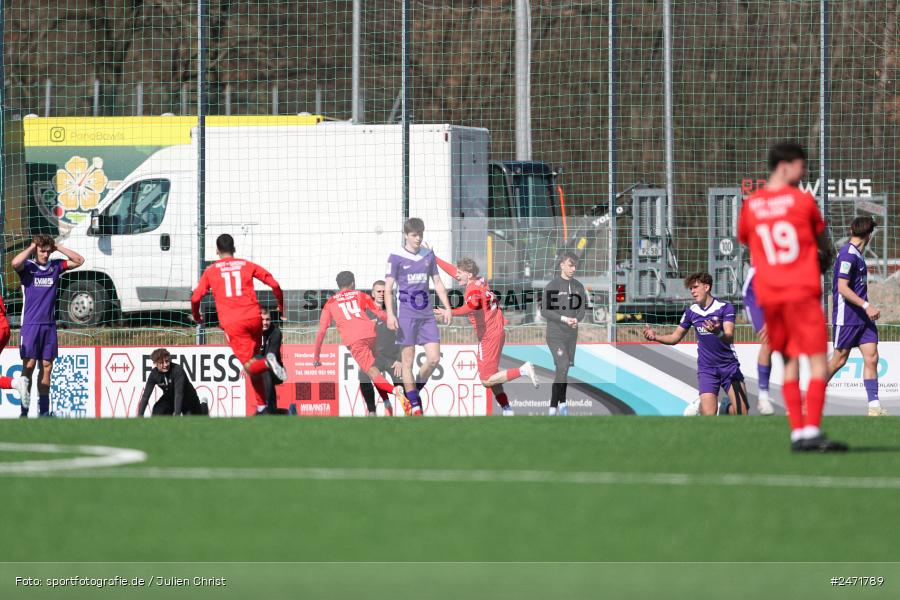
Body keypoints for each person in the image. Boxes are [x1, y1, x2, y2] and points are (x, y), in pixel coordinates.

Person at [737, 140, 846, 451]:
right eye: (802, 166)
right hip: (801, 290)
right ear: (785, 166)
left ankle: (797, 433)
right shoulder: (802, 201)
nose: (805, 172)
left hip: (771, 295)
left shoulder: (752, 205)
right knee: (817, 363)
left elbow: (746, 239)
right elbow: (823, 240)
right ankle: (810, 430)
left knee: (789, 363)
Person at [191, 233, 287, 415]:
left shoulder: (211, 271)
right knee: (253, 362)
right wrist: (281, 308)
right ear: (234, 249)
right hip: (254, 316)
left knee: (250, 365)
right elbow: (274, 284)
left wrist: (197, 316)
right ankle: (262, 407)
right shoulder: (246, 265)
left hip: (234, 322)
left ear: (217, 251)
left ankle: (268, 361)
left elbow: (196, 297)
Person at [433, 255, 538, 416]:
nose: (456, 275)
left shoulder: (472, 289)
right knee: (493, 375)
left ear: (468, 275)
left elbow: (472, 306)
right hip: (497, 329)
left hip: (488, 335)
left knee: (486, 380)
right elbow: (454, 271)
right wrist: (435, 258)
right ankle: (507, 409)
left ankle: (523, 370)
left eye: (459, 273)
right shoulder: (479, 281)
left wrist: (450, 312)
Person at [644, 272, 749, 416]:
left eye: (695, 287)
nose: (692, 291)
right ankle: (702, 405)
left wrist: (717, 332)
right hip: (707, 369)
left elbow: (729, 336)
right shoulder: (691, 312)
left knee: (741, 413)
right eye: (691, 289)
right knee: (708, 415)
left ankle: (725, 409)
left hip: (729, 367)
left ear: (706, 287)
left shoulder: (725, 307)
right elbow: (675, 337)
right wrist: (655, 337)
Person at [384, 218, 453, 416]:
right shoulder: (396, 256)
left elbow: (438, 282)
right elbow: (388, 288)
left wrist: (448, 308)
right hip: (406, 315)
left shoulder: (428, 255)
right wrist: (390, 314)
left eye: (420, 234)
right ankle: (415, 406)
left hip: (426, 315)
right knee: (408, 361)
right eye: (414, 235)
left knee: (433, 359)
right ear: (406, 235)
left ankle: (414, 391)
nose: (418, 238)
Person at [12, 234, 85, 418]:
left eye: (46, 251)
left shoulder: (55, 266)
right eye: (41, 251)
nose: (44, 254)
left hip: (49, 325)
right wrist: (31, 247)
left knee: (47, 367)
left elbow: (79, 260)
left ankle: (43, 412)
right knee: (28, 366)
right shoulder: (27, 267)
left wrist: (57, 247)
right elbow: (14, 263)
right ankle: (24, 411)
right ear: (36, 250)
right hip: (30, 325)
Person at [313, 271, 406, 413]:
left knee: (372, 372)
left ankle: (394, 391)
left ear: (338, 285)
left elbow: (321, 332)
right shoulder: (360, 295)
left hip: (355, 340)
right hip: (371, 334)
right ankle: (387, 404)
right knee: (371, 371)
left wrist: (316, 357)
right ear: (353, 283)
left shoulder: (330, 303)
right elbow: (379, 313)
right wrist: (393, 320)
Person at [826, 216, 885, 416]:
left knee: (872, 357)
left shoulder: (857, 255)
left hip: (863, 319)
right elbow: (842, 288)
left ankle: (874, 407)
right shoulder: (847, 255)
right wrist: (867, 305)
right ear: (869, 235)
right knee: (838, 361)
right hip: (848, 316)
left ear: (852, 230)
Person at [541, 251, 586, 416]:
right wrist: (563, 318)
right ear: (562, 265)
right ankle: (560, 406)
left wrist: (576, 320)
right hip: (555, 335)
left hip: (571, 335)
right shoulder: (552, 286)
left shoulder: (578, 286)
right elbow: (545, 310)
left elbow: (581, 310)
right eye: (570, 265)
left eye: (575, 265)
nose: (573, 268)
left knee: (563, 370)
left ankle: (555, 406)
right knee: (563, 365)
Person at [357, 280, 399, 416]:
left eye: (384, 291)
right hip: (373, 357)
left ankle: (411, 411)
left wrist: (400, 359)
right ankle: (372, 411)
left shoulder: (393, 310)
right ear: (373, 294)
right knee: (363, 375)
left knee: (404, 383)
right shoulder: (365, 312)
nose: (381, 294)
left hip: (392, 358)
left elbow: (403, 335)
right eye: (379, 291)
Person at [742, 266, 775, 415]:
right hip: (755, 293)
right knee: (768, 342)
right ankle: (763, 397)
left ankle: (795, 403)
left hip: (781, 290)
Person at [136, 348, 208, 416]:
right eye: (161, 363)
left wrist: (176, 417)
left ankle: (204, 404)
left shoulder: (178, 370)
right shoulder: (154, 374)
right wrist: (139, 417)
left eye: (167, 361)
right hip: (170, 398)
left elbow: (179, 395)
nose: (165, 365)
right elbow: (145, 397)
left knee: (194, 422)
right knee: (157, 411)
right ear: (155, 364)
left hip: (188, 399)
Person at [258, 307, 288, 415]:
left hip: (276, 370)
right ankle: (274, 410)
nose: (265, 323)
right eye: (262, 320)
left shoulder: (276, 333)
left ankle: (267, 407)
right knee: (264, 371)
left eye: (268, 320)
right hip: (260, 367)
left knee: (266, 369)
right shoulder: (254, 333)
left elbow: (271, 355)